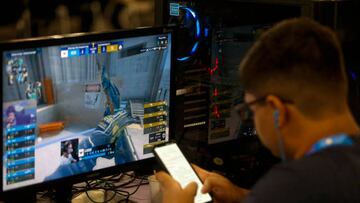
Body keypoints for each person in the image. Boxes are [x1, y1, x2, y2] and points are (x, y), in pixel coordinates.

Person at [156, 18, 360, 203]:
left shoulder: (294, 184)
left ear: (277, 110)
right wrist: (243, 196)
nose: (249, 118)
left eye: (248, 110)